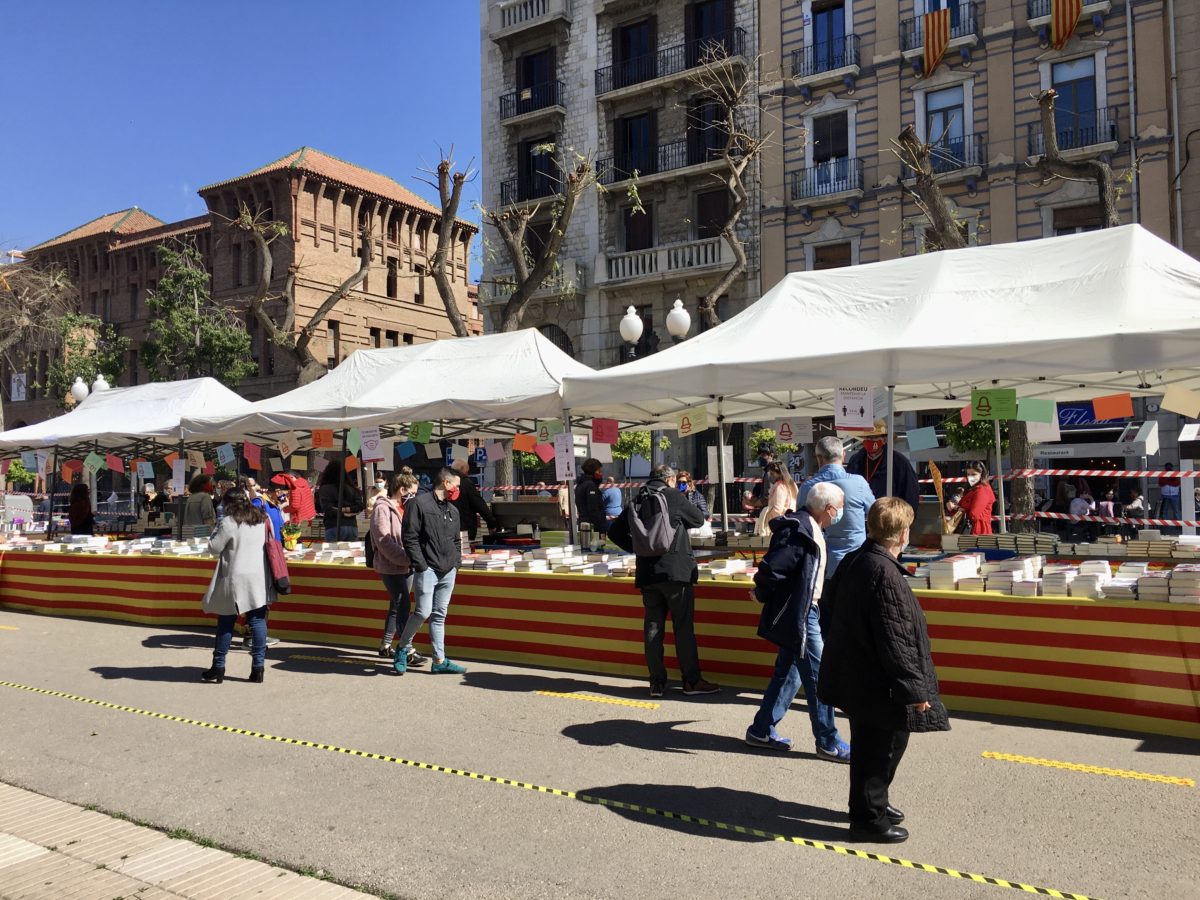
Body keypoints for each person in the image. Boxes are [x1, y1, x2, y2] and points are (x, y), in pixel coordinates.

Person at [818, 497, 945, 844]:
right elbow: (897, 638)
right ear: (902, 534)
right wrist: (916, 691)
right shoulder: (882, 571)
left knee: (883, 744)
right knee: (877, 749)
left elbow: (833, 603)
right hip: (874, 679)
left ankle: (873, 803)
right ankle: (868, 819)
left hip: (861, 673)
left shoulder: (861, 559)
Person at [746, 481, 850, 760]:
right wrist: (761, 591)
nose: (841, 513)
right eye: (840, 508)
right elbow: (773, 567)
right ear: (828, 509)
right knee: (819, 678)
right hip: (803, 615)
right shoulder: (799, 530)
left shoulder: (809, 527)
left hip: (805, 611)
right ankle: (828, 741)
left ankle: (761, 729)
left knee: (788, 673)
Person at [608, 464, 719, 698]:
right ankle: (691, 681)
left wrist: (637, 548)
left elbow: (614, 533)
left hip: (647, 573)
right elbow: (699, 519)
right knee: (683, 627)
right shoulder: (673, 496)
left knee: (652, 627)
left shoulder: (636, 499)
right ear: (669, 479)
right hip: (676, 570)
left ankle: (657, 682)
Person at [396, 467, 468, 675]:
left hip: (448, 570)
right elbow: (409, 537)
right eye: (456, 485)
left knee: (439, 615)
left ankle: (439, 659)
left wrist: (456, 563)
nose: (457, 489)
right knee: (422, 612)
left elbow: (456, 540)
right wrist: (421, 564)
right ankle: (402, 647)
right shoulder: (419, 504)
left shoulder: (452, 510)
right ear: (446, 483)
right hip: (427, 568)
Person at [200, 488, 273, 685]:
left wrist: (217, 525)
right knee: (257, 621)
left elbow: (213, 548)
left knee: (226, 622)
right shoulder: (262, 518)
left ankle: (218, 666)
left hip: (233, 577)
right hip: (258, 576)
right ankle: (258, 668)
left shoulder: (228, 522)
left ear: (227, 504)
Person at [371, 472, 427, 668]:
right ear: (402, 490)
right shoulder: (382, 508)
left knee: (397, 605)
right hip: (391, 565)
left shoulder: (406, 507)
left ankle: (386, 645)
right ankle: (407, 649)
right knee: (403, 604)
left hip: (407, 564)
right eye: (412, 492)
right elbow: (383, 540)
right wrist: (405, 557)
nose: (414, 496)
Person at [799, 436, 876, 578]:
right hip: (855, 563)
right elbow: (875, 514)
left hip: (820, 564)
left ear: (819, 458)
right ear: (843, 456)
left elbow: (801, 524)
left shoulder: (808, 487)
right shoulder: (859, 483)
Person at [845, 419, 920, 511]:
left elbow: (911, 493)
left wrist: (906, 519)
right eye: (866, 438)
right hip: (861, 515)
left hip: (889, 516)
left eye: (873, 438)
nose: (869, 441)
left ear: (884, 440)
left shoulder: (899, 462)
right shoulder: (856, 460)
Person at [449, 458, 498, 541]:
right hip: (465, 529)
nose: (467, 474)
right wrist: (492, 524)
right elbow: (480, 505)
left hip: (447, 529)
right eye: (466, 472)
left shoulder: (444, 481)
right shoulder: (466, 483)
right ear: (462, 469)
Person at [317, 457, 364, 542]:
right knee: (351, 554)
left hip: (333, 526)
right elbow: (360, 506)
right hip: (351, 526)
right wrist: (347, 511)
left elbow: (327, 509)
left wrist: (341, 511)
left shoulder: (325, 489)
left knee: (333, 554)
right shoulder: (352, 488)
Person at [755, 461, 798, 536]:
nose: (770, 476)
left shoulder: (780, 487)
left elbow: (777, 510)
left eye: (772, 473)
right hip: (792, 520)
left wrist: (768, 517)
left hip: (780, 525)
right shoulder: (792, 485)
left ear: (780, 473)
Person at [957, 461, 996, 535]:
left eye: (974, 474)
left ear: (981, 474)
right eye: (968, 474)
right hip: (971, 529)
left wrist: (959, 509)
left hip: (979, 531)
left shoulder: (982, 490)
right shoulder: (972, 488)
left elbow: (974, 514)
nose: (970, 477)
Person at [575, 458, 608, 533]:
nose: (601, 473)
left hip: (584, 524)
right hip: (593, 527)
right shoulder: (591, 485)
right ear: (592, 471)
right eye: (599, 471)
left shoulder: (580, 484)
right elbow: (593, 509)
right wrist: (602, 527)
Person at [743, 446, 775, 513]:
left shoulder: (770, 473)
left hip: (771, 512)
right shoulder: (769, 471)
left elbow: (766, 499)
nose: (760, 457)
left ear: (771, 456)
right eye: (760, 455)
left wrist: (750, 503)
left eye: (763, 455)